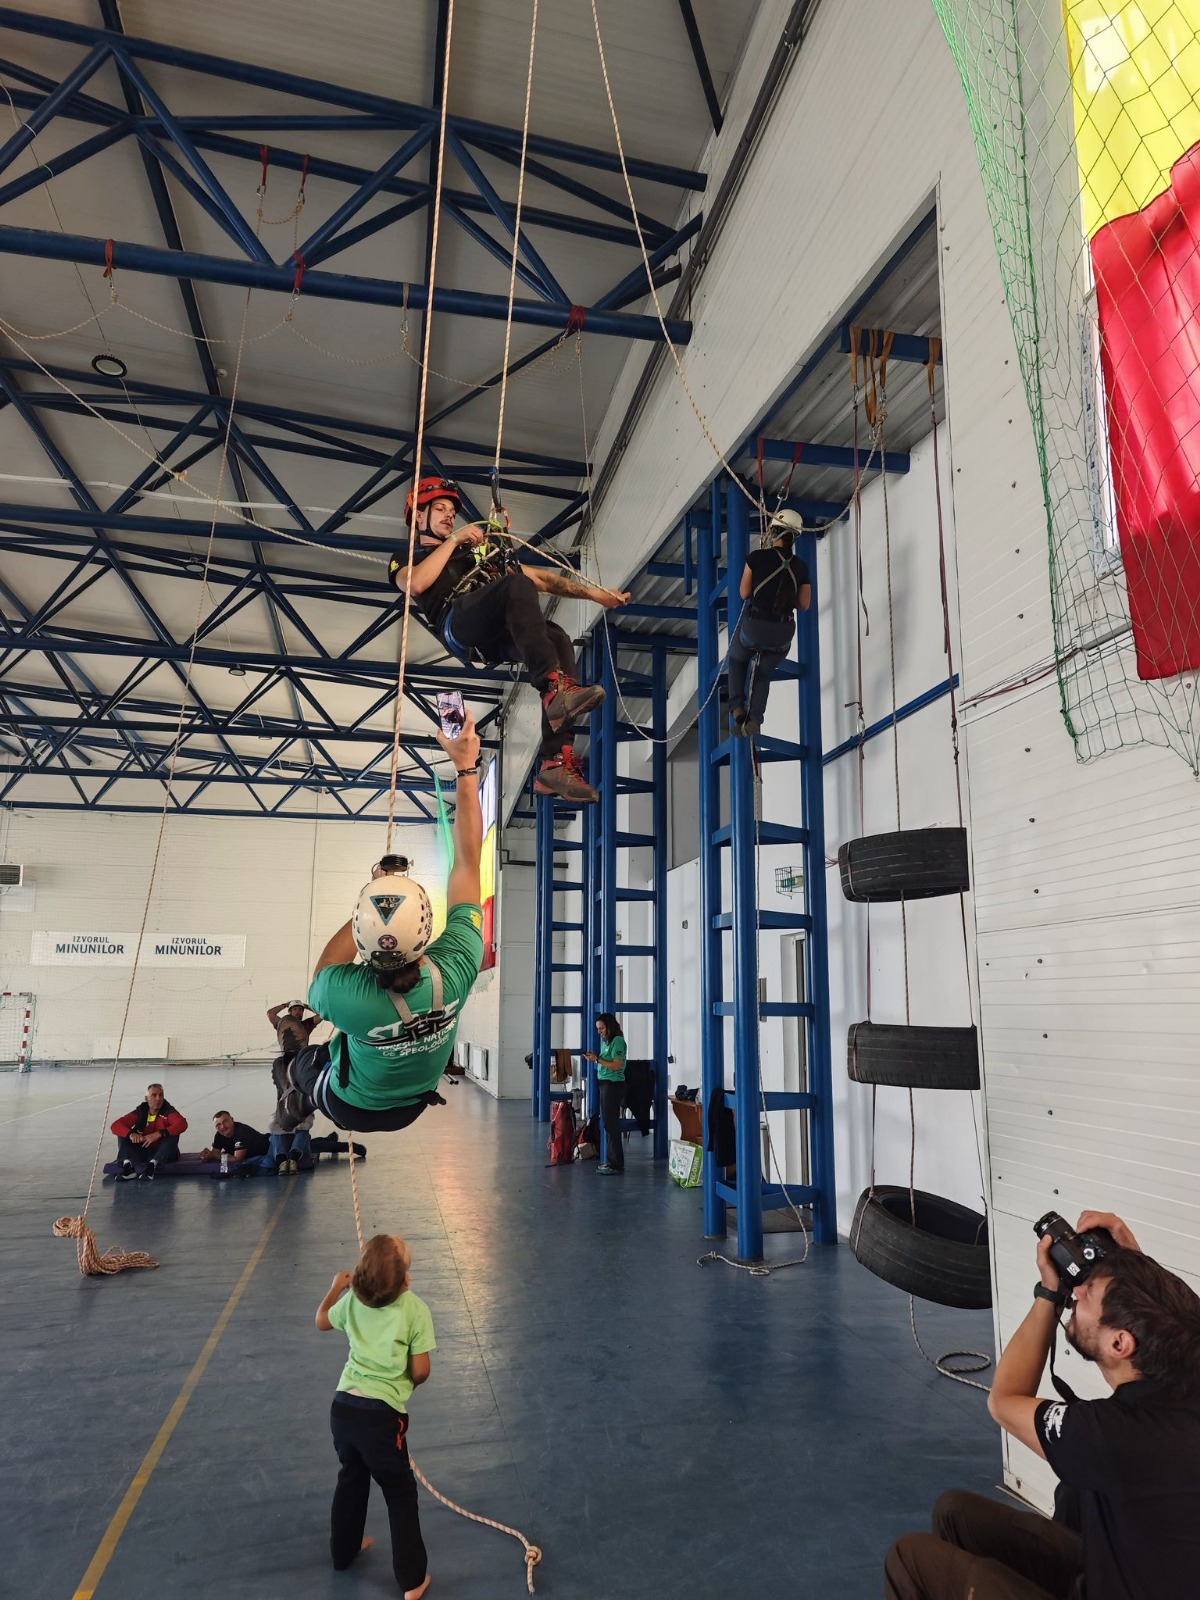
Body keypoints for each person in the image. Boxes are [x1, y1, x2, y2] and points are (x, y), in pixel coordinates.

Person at [883, 1208, 1200, 1600]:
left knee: (909, 1558)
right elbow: (1180, 1315)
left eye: (1089, 1295)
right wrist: (1129, 1260)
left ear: (1120, 1343)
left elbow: (1004, 1401)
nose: (1078, 1292)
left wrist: (1049, 1294)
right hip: (1125, 1573)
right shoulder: (1186, 1368)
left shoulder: (1114, 1433)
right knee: (954, 1512)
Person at [277, 714, 485, 1134]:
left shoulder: (345, 994)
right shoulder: (458, 966)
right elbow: (467, 862)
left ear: (360, 933)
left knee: (296, 1062)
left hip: (350, 1105)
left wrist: (374, 893)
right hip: (413, 1104)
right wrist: (466, 768)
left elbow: (326, 966)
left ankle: (299, 1099)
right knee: (333, 1050)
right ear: (425, 930)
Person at [388, 476, 630, 804]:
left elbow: (541, 579)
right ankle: (553, 689)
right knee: (516, 585)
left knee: (556, 637)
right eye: (440, 509)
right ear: (419, 516)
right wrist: (455, 540)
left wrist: (595, 595)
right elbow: (415, 584)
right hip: (458, 624)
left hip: (493, 634)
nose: (449, 516)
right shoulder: (407, 556)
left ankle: (555, 761)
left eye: (451, 512)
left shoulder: (475, 554)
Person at [315, 1233, 434, 1600]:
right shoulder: (414, 1308)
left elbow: (321, 1320)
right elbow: (421, 1370)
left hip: (343, 1410)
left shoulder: (352, 1299)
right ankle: (412, 1581)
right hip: (381, 1420)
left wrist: (336, 1288)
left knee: (351, 1477)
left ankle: (343, 1552)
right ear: (406, 1281)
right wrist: (407, 1382)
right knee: (399, 1492)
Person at [727, 508, 811, 737]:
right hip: (782, 634)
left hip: (755, 628)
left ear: (773, 532)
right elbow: (804, 604)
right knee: (763, 672)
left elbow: (744, 593)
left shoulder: (756, 558)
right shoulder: (801, 567)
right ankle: (755, 718)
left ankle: (737, 709)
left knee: (737, 660)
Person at [111, 1083, 187, 1179]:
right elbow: (115, 1125)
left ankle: (152, 1166)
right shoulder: (140, 1112)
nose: (158, 1098)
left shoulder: (168, 1110)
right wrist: (131, 1134)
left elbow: (182, 1124)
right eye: (154, 1095)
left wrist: (159, 1134)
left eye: (161, 1095)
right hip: (143, 1152)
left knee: (173, 1133)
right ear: (146, 1098)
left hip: (164, 1154)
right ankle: (127, 1167)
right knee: (123, 1133)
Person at [584, 1012, 627, 1176]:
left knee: (611, 1124)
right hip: (604, 1084)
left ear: (609, 1026)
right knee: (608, 1123)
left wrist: (596, 1060)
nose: (599, 1032)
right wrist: (594, 1058)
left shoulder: (618, 1041)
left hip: (613, 1085)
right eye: (598, 1029)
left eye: (601, 1028)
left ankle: (616, 1163)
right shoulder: (606, 1042)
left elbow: (616, 1065)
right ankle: (612, 1160)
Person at [199, 1110, 279, 1174]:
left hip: (270, 1147)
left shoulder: (241, 1132)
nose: (222, 1126)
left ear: (232, 1120)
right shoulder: (219, 1135)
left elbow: (237, 1158)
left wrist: (213, 1155)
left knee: (268, 1163)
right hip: (255, 1155)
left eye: (225, 1121)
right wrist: (206, 1155)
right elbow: (214, 1153)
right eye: (218, 1125)